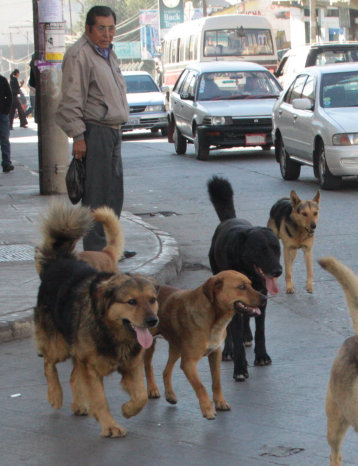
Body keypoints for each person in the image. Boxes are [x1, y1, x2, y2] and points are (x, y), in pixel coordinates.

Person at [56, 5, 135, 259]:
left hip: (113, 130)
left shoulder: (108, 53)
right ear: (89, 28)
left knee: (114, 193)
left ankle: (112, 247)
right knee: (97, 195)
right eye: (101, 28)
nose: (107, 33)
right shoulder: (79, 54)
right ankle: (96, 253)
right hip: (94, 131)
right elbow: (71, 99)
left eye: (111, 28)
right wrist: (78, 136)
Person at [0, 74, 14, 172]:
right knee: (4, 139)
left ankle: (6, 163)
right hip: (3, 115)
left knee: (4, 139)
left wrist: (5, 111)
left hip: (2, 115)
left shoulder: (2, 80)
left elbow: (9, 96)